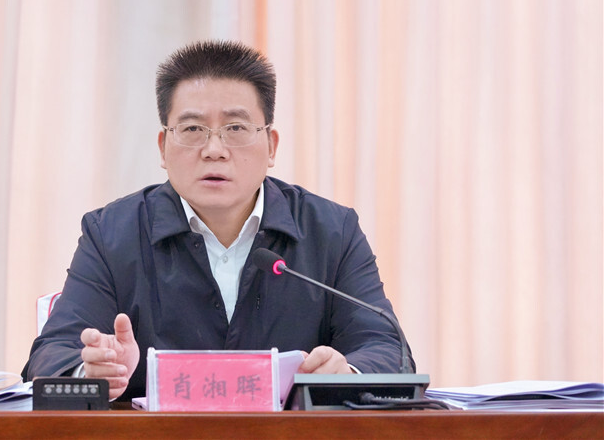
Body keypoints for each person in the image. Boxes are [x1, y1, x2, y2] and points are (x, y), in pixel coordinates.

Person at [22, 40, 413, 401]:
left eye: (236, 128)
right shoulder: (111, 235)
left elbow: (387, 349)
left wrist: (347, 373)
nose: (214, 149)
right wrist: (95, 373)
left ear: (271, 145)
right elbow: (51, 355)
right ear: (163, 147)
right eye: (193, 129)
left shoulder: (332, 231)